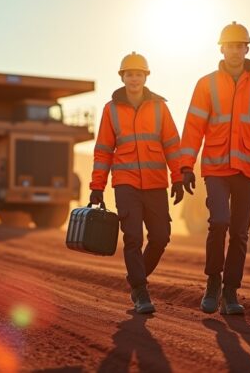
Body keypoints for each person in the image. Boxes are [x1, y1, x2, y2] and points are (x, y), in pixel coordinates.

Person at [180, 22, 250, 315]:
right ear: (222, 48)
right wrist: (185, 166)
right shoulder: (207, 84)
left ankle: (231, 292)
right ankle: (212, 283)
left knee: (240, 233)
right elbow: (193, 127)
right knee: (219, 222)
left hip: (247, 169)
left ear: (247, 49)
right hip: (215, 168)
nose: (235, 51)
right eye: (230, 45)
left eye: (241, 46)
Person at [90, 52, 183, 314]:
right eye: (129, 74)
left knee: (161, 237)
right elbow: (104, 150)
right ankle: (141, 292)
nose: (134, 78)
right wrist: (97, 186)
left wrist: (177, 176)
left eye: (139, 74)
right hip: (125, 183)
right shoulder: (111, 109)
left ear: (146, 77)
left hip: (155, 183)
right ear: (122, 77)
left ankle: (134, 280)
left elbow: (172, 145)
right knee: (132, 236)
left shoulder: (160, 107)